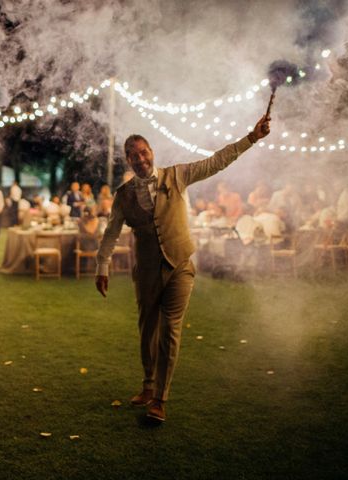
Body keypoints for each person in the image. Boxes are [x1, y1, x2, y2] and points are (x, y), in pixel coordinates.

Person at [95, 113, 271, 423]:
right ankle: (148, 385)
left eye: (144, 152)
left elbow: (217, 161)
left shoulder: (177, 176)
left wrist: (252, 137)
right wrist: (102, 266)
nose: (140, 158)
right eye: (133, 155)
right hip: (147, 272)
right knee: (146, 330)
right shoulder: (123, 197)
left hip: (180, 266)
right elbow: (111, 233)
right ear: (128, 160)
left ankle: (160, 400)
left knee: (170, 331)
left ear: (152, 153)